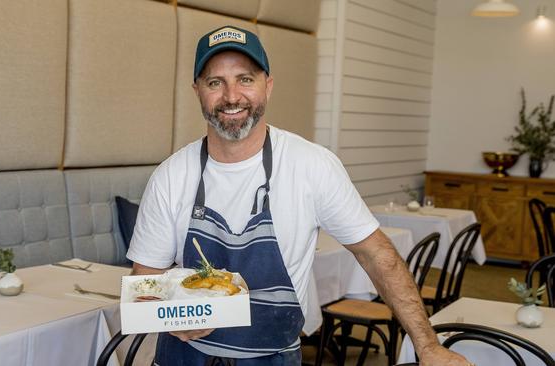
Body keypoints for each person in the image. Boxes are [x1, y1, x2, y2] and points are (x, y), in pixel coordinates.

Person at [127, 25, 473, 366]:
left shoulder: (311, 165)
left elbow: (376, 255)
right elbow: (146, 283)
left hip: (274, 358)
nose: (231, 96)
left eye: (245, 79)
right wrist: (175, 317)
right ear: (197, 91)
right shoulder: (171, 176)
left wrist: (428, 346)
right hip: (186, 358)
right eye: (215, 82)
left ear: (268, 86)